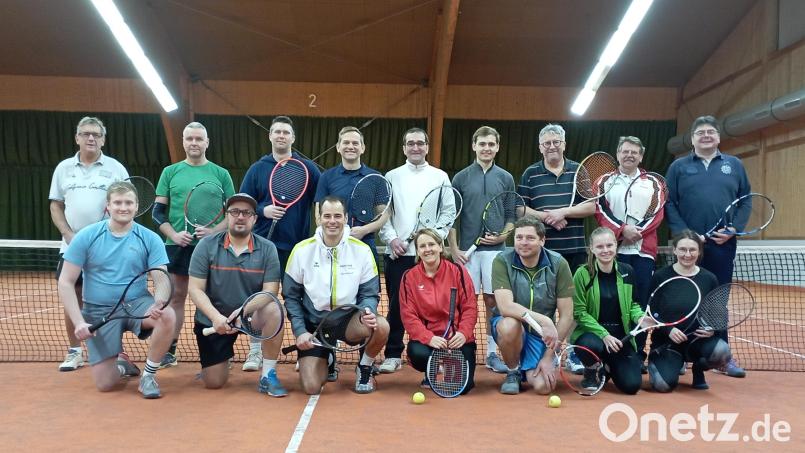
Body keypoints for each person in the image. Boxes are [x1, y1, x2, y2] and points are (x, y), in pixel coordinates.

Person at [57, 181, 175, 398]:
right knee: (106, 384)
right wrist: (79, 322)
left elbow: (161, 279)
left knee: (167, 315)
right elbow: (65, 281)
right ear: (108, 206)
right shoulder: (86, 236)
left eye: (128, 202)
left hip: (137, 304)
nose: (123, 207)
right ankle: (122, 365)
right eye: (118, 202)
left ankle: (148, 375)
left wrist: (159, 301)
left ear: (137, 206)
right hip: (99, 310)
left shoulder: (150, 238)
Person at [49, 116, 137, 375]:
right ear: (77, 137)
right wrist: (67, 232)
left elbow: (125, 203)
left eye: (96, 135)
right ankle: (75, 351)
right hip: (72, 247)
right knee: (73, 298)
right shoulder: (63, 168)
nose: (91, 138)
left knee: (109, 299)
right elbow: (56, 204)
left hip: (106, 248)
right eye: (86, 134)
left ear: (103, 139)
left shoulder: (115, 168)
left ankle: (115, 351)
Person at [664, 115, 750, 378]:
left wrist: (734, 229)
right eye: (700, 132)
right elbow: (668, 203)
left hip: (722, 246)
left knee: (717, 300)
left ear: (718, 137)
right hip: (687, 246)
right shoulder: (679, 167)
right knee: (679, 297)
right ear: (692, 139)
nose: (705, 136)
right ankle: (676, 355)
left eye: (710, 132)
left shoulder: (734, 165)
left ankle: (721, 357)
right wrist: (686, 236)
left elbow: (745, 201)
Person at [283, 196, 389, 394]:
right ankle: (327, 357)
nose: (332, 221)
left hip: (347, 321)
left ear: (346, 218)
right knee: (311, 387)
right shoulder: (301, 251)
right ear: (319, 219)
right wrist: (300, 331)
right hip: (314, 325)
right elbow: (290, 296)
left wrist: (368, 310)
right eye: (327, 216)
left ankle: (364, 367)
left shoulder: (362, 251)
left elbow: (370, 292)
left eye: (338, 216)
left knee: (381, 326)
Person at [240, 115, 321, 372]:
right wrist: (263, 211)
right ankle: (255, 351)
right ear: (270, 136)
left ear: (292, 138)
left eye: (286, 132)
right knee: (259, 299)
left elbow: (321, 199)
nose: (281, 136)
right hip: (262, 247)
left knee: (300, 299)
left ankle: (304, 350)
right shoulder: (257, 169)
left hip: (297, 248)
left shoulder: (307, 168)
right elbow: (244, 204)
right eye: (277, 132)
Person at [153, 122, 236, 368]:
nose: (194, 143)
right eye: (189, 138)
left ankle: (218, 353)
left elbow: (233, 212)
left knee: (213, 299)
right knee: (176, 297)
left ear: (207, 142)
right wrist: (173, 234)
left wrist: (213, 232)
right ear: (183, 141)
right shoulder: (170, 172)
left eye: (199, 139)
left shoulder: (221, 174)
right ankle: (170, 348)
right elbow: (158, 212)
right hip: (177, 246)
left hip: (212, 247)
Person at [187, 193, 287, 396]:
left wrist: (242, 313)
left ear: (254, 218)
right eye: (234, 212)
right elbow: (195, 289)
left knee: (275, 308)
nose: (240, 217)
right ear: (227, 216)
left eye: (246, 212)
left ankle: (268, 375)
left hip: (249, 316)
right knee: (214, 382)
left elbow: (270, 292)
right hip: (214, 321)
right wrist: (216, 318)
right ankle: (220, 362)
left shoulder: (268, 249)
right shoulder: (206, 245)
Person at [518, 124, 595, 374]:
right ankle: (539, 350)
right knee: (543, 303)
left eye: (556, 142)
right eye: (547, 143)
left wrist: (564, 212)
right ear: (540, 147)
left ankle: (568, 351)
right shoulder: (530, 174)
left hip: (573, 250)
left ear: (564, 144)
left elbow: (591, 207)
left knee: (570, 305)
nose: (551, 146)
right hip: (542, 253)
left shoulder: (579, 171)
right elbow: (520, 209)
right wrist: (546, 217)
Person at [377, 127, 452, 373]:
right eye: (411, 143)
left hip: (429, 256)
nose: (416, 147)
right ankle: (393, 353)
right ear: (404, 148)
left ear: (427, 147)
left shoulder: (440, 176)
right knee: (397, 306)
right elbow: (384, 215)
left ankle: (436, 354)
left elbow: (448, 212)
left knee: (433, 306)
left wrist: (432, 241)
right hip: (399, 254)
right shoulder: (391, 176)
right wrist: (392, 239)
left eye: (420, 143)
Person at [448, 125, 515, 373]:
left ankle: (490, 353)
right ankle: (461, 349)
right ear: (474, 146)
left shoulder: (506, 178)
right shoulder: (461, 178)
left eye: (491, 144)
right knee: (464, 303)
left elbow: (511, 215)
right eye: (482, 144)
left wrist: (503, 234)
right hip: (467, 252)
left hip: (497, 252)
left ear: (497, 147)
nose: (487, 148)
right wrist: (454, 249)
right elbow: (453, 217)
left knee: (492, 301)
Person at [595, 136, 665, 369]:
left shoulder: (654, 183)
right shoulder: (604, 181)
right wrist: (621, 231)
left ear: (641, 156)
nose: (629, 155)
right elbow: (600, 211)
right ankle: (609, 354)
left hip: (643, 252)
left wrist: (636, 232)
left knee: (641, 303)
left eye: (634, 152)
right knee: (612, 303)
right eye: (625, 151)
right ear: (618, 153)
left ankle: (638, 355)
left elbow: (657, 214)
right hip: (613, 252)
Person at [491, 216, 575, 395]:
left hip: (540, 336)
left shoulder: (559, 264)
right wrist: (544, 320)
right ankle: (513, 371)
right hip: (512, 327)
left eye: (530, 238)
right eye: (519, 237)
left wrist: (549, 357)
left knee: (544, 388)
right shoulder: (502, 260)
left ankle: (529, 367)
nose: (523, 243)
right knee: (509, 325)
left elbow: (567, 315)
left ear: (542, 240)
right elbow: (505, 306)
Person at [647, 230, 731, 392]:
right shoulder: (660, 276)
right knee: (662, 385)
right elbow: (650, 310)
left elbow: (718, 312)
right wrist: (668, 329)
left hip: (697, 342)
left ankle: (698, 370)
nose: (687, 254)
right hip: (668, 342)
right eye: (683, 249)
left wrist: (712, 329)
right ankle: (664, 362)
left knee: (722, 352)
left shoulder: (709, 278)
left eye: (692, 250)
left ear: (699, 252)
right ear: (675, 250)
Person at [400, 229, 478, 393]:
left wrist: (463, 334)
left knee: (462, 388)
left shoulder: (458, 271)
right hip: (431, 341)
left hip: (458, 339)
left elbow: (470, 307)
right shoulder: (409, 277)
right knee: (417, 352)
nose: (427, 249)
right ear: (418, 251)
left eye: (431, 244)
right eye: (422, 246)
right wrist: (429, 338)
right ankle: (432, 369)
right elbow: (409, 316)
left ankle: (450, 365)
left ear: (441, 247)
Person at [570, 227, 645, 395]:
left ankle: (608, 366)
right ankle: (592, 369)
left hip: (621, 337)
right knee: (588, 345)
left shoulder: (627, 271)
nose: (605, 250)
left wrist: (640, 317)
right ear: (592, 249)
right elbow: (579, 312)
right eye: (600, 247)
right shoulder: (582, 273)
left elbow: (633, 304)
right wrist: (604, 335)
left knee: (632, 386)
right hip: (592, 334)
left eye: (609, 245)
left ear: (616, 246)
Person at [314, 126, 389, 264]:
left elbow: (383, 215)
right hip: (334, 243)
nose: (350, 146)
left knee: (369, 286)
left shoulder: (376, 177)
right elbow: (319, 214)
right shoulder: (326, 177)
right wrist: (336, 235)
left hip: (366, 242)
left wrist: (363, 231)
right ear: (338, 147)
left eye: (355, 143)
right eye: (346, 142)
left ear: (363, 148)